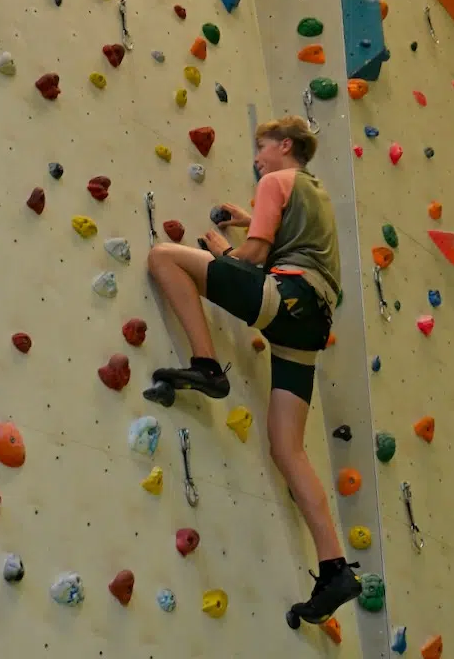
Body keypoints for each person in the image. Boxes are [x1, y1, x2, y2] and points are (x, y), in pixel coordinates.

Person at [142, 115, 361, 622]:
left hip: (287, 299)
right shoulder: (315, 193)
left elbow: (257, 255)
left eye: (261, 149)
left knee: (162, 257)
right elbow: (283, 243)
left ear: (284, 146)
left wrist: (225, 251)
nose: (256, 159)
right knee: (288, 448)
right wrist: (243, 224)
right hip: (310, 322)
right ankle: (334, 568)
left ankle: (206, 364)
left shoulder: (275, 181)